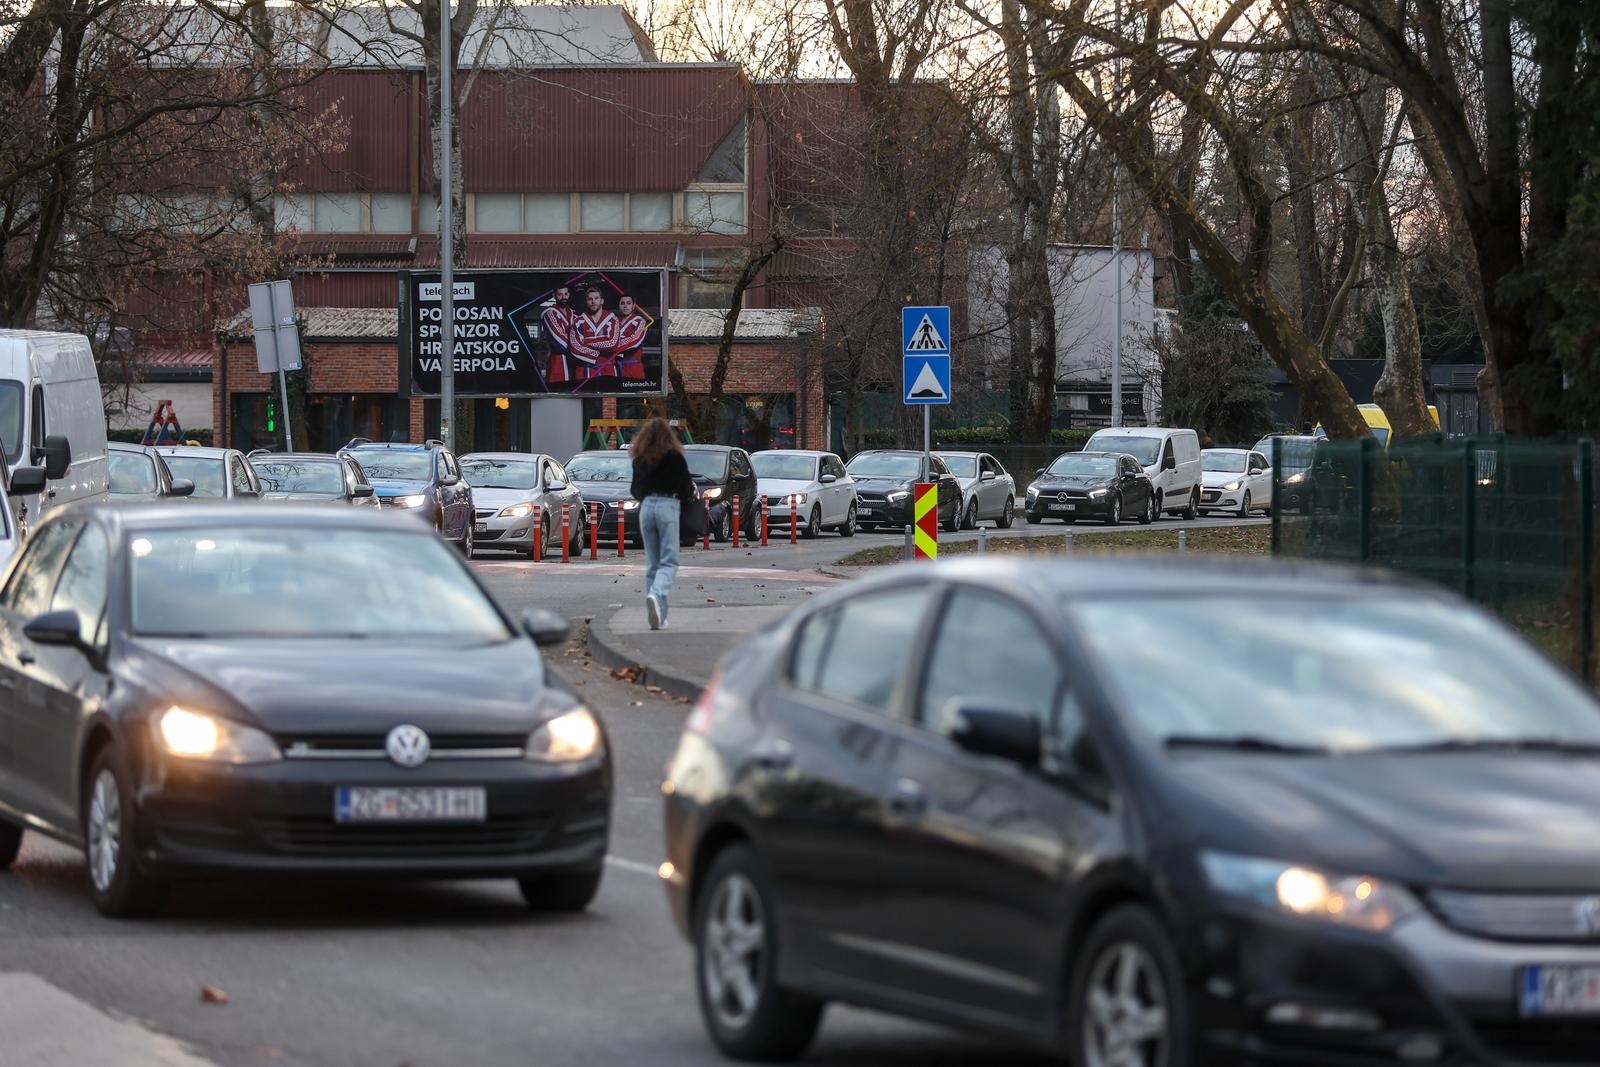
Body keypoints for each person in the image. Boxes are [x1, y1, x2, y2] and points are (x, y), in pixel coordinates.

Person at [629, 418, 694, 630]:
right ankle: (656, 595)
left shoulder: (639, 460)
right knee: (669, 561)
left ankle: (659, 617)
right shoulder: (675, 457)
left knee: (652, 563)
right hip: (668, 505)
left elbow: (635, 490)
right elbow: (686, 487)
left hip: (647, 507)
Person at [569, 287, 620, 383]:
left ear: (602, 301)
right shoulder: (578, 321)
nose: (593, 301)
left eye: (596, 298)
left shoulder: (613, 319)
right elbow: (575, 347)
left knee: (609, 398)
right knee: (587, 398)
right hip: (585, 370)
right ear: (586, 302)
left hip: (607, 370)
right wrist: (597, 354)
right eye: (590, 299)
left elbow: (613, 343)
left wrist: (586, 341)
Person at [611, 295, 650, 380]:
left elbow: (635, 341)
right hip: (613, 368)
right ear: (619, 306)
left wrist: (610, 346)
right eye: (622, 303)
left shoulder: (640, 321)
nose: (625, 306)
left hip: (633, 368)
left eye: (628, 303)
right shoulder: (613, 322)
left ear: (633, 306)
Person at [540, 287, 575, 385]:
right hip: (558, 363)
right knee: (557, 396)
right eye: (560, 294)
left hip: (575, 363)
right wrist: (582, 348)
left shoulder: (574, 314)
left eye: (566, 294)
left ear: (569, 294)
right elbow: (560, 342)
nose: (564, 297)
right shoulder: (549, 313)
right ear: (554, 296)